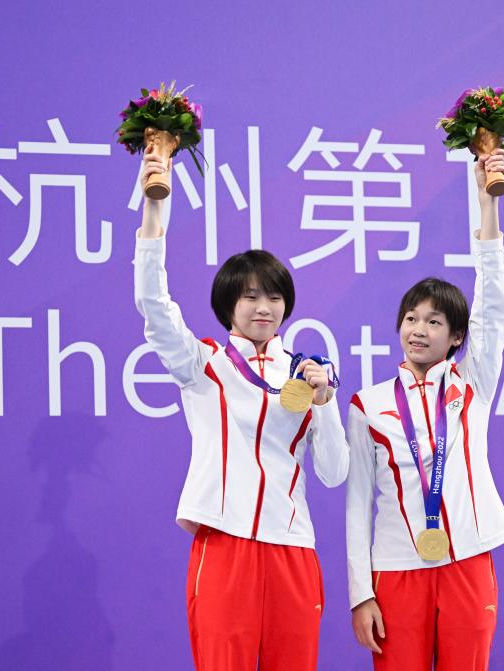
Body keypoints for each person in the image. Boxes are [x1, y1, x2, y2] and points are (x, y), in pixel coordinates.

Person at [133, 145, 349, 670]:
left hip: (293, 548)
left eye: (273, 297)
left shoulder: (307, 371)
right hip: (225, 543)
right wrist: (154, 208)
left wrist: (325, 402)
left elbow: (335, 472)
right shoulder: (203, 363)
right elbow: (153, 305)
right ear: (228, 303)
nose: (263, 307)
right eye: (250, 296)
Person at [345, 149, 504, 670]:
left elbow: (492, 304)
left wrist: (487, 202)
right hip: (396, 568)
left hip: (467, 560)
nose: (419, 330)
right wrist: (360, 592)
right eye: (411, 318)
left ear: (457, 336)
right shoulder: (368, 405)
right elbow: (357, 504)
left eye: (434, 322)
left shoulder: (472, 383)